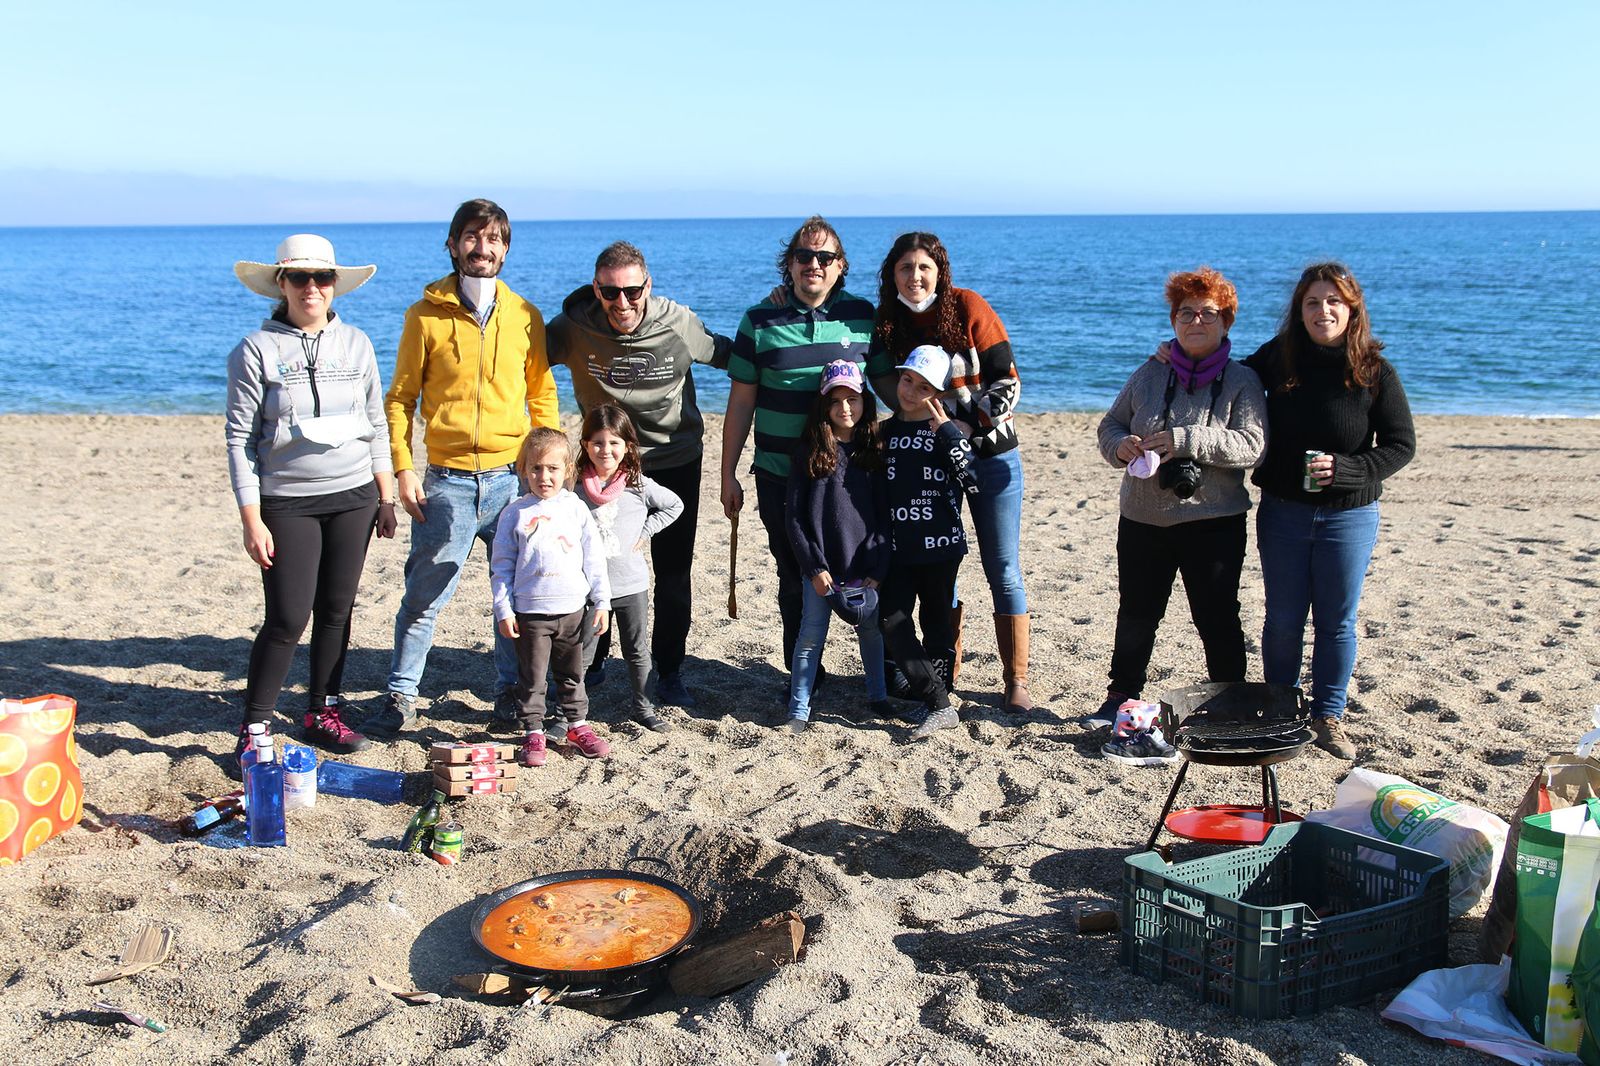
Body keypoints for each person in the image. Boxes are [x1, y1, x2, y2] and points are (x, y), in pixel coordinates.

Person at [370, 199, 560, 738]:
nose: (484, 248)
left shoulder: (525, 316)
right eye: (473, 238)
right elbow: (400, 399)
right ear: (452, 244)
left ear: (506, 247)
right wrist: (404, 468)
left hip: (511, 479)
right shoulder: (423, 315)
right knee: (425, 594)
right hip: (447, 482)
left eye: (495, 238)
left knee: (517, 592)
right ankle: (401, 694)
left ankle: (510, 691)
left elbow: (541, 393)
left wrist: (547, 466)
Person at [224, 234, 394, 772]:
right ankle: (254, 729)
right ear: (282, 284)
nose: (312, 288)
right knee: (288, 617)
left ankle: (323, 711)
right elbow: (239, 439)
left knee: (337, 610)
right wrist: (252, 519)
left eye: (322, 278)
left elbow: (376, 423)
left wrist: (385, 495)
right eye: (300, 277)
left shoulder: (358, 344)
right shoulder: (256, 350)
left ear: (334, 284)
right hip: (287, 502)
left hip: (354, 497)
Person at [1091, 267, 1268, 761]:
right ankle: (1118, 698)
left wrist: (1187, 440)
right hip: (1143, 518)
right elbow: (1109, 423)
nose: (1196, 321)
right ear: (1173, 320)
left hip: (1214, 521)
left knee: (1216, 617)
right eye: (1186, 313)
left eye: (1207, 313)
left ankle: (1230, 700)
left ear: (1226, 323)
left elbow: (1253, 445)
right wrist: (1120, 447)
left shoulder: (1242, 381)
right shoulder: (1150, 373)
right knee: (1137, 613)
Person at [546, 242, 730, 709]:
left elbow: (737, 359)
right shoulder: (574, 327)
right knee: (592, 567)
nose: (622, 303)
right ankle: (593, 661)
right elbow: (518, 362)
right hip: (603, 464)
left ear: (648, 286)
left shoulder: (678, 322)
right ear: (596, 289)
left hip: (674, 458)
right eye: (610, 293)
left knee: (672, 574)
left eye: (632, 291)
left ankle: (668, 671)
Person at [1244, 262, 1415, 759]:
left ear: (1352, 308)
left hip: (1349, 516)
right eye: (1313, 302)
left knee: (1337, 622)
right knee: (1281, 618)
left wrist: (1351, 470)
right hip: (1283, 512)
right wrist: (1179, 356)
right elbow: (1223, 375)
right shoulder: (1277, 359)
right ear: (1300, 310)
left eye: (1334, 301)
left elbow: (1401, 445)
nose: (1324, 311)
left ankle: (1328, 717)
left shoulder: (1373, 370)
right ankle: (1280, 707)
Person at [866, 232, 1032, 714]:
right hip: (927, 454)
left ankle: (1015, 678)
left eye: (923, 267)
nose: (914, 277)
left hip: (990, 452)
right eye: (904, 268)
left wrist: (967, 421)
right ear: (891, 274)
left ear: (939, 271)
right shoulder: (890, 320)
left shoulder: (968, 306)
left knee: (1002, 566)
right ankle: (943, 671)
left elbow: (1008, 382)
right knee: (942, 559)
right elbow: (886, 379)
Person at [723, 217, 875, 671]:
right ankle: (805, 671)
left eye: (824, 257)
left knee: (867, 567)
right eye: (804, 256)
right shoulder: (759, 320)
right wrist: (727, 472)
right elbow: (741, 402)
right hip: (777, 473)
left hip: (849, 476)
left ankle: (884, 669)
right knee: (794, 575)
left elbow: (889, 384)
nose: (814, 264)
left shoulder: (863, 316)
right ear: (788, 264)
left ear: (840, 265)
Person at [490, 428, 612, 768]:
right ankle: (533, 730)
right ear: (524, 470)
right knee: (532, 676)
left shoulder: (575, 509)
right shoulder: (515, 513)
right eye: (536, 468)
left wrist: (601, 601)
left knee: (572, 673)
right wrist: (503, 608)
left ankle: (576, 725)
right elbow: (501, 566)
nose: (545, 476)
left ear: (568, 470)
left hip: (573, 610)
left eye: (553, 469)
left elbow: (594, 558)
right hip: (530, 612)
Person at [783, 361, 892, 733]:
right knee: (811, 636)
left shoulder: (872, 452)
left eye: (853, 399)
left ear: (865, 401)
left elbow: (883, 518)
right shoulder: (808, 453)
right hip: (823, 569)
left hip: (865, 568)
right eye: (836, 401)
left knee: (871, 633)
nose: (846, 408)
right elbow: (795, 519)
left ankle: (878, 695)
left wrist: (878, 571)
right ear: (824, 407)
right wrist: (814, 569)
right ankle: (799, 709)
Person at [879, 346, 981, 740]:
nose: (910, 391)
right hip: (897, 548)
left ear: (937, 393)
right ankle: (933, 697)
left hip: (941, 548)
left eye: (923, 387)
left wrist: (951, 435)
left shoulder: (949, 431)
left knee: (937, 623)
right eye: (907, 380)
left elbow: (975, 482)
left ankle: (938, 698)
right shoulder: (885, 432)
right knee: (891, 619)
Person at [574, 404, 684, 732]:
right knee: (582, 652)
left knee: (636, 650)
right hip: (589, 589)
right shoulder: (575, 488)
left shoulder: (638, 484)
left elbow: (675, 504)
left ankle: (644, 707)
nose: (605, 450)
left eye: (613, 443)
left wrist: (645, 532)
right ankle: (570, 713)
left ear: (628, 447)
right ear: (585, 446)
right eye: (597, 443)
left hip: (631, 585)